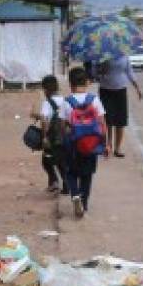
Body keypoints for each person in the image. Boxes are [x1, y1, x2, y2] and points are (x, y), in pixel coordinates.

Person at [63, 66, 107, 218]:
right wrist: (106, 143)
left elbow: (64, 125)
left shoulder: (67, 102)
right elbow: (102, 123)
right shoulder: (94, 100)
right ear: (87, 82)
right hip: (92, 144)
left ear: (71, 84)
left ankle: (75, 195)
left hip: (74, 144)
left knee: (70, 172)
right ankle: (84, 203)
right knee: (87, 175)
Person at [96, 53, 143, 158]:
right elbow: (96, 71)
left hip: (120, 90)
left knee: (120, 121)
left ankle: (118, 148)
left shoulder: (125, 56)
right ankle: (108, 145)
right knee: (107, 120)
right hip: (105, 90)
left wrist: (137, 88)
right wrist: (100, 72)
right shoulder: (103, 55)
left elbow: (129, 71)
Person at [29, 75, 67, 194]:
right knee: (62, 161)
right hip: (64, 136)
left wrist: (45, 137)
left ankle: (54, 182)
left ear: (45, 89)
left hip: (52, 137)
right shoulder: (64, 100)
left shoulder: (47, 102)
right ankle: (65, 185)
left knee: (47, 161)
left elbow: (45, 120)